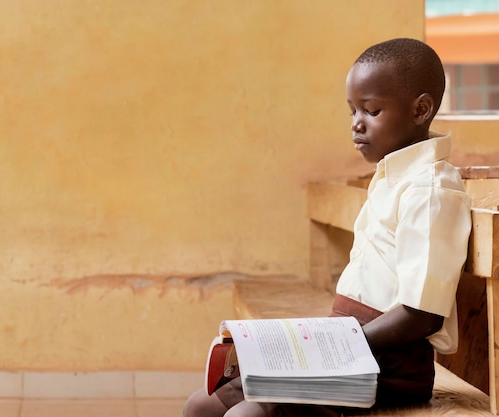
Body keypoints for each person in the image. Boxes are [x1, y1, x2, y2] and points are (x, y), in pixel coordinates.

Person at [183, 37, 472, 417]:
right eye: (352, 110)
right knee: (202, 405)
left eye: (372, 110)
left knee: (247, 415)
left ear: (420, 109)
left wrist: (331, 346)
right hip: (349, 347)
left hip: (390, 366)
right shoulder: (392, 176)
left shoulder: (431, 190)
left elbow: (422, 314)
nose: (356, 123)